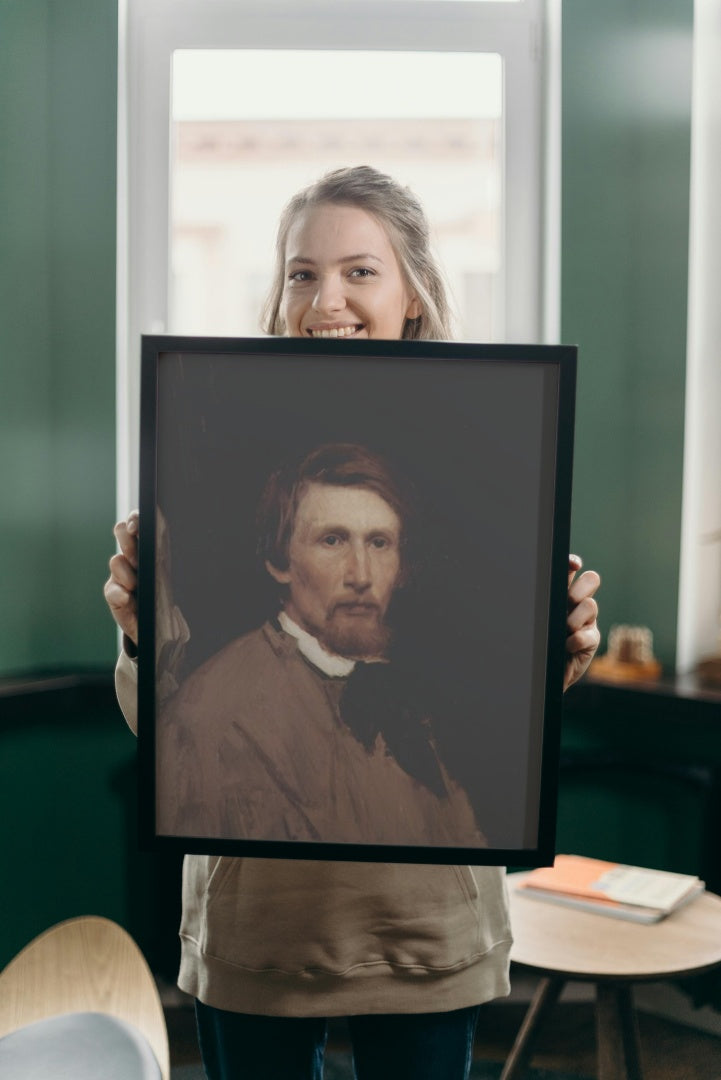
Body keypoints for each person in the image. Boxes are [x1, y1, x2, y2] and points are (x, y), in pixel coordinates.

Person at [105, 165, 601, 1080]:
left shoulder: (502, 437)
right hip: (261, 932)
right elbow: (170, 736)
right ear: (279, 553)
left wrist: (556, 653)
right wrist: (141, 637)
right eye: (301, 272)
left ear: (412, 291)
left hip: (426, 931)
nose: (324, 297)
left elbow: (501, 729)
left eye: (359, 271)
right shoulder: (193, 433)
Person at [155, 440, 485, 847]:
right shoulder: (211, 714)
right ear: (279, 560)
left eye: (379, 543)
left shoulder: (405, 697)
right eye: (333, 541)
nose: (361, 575)